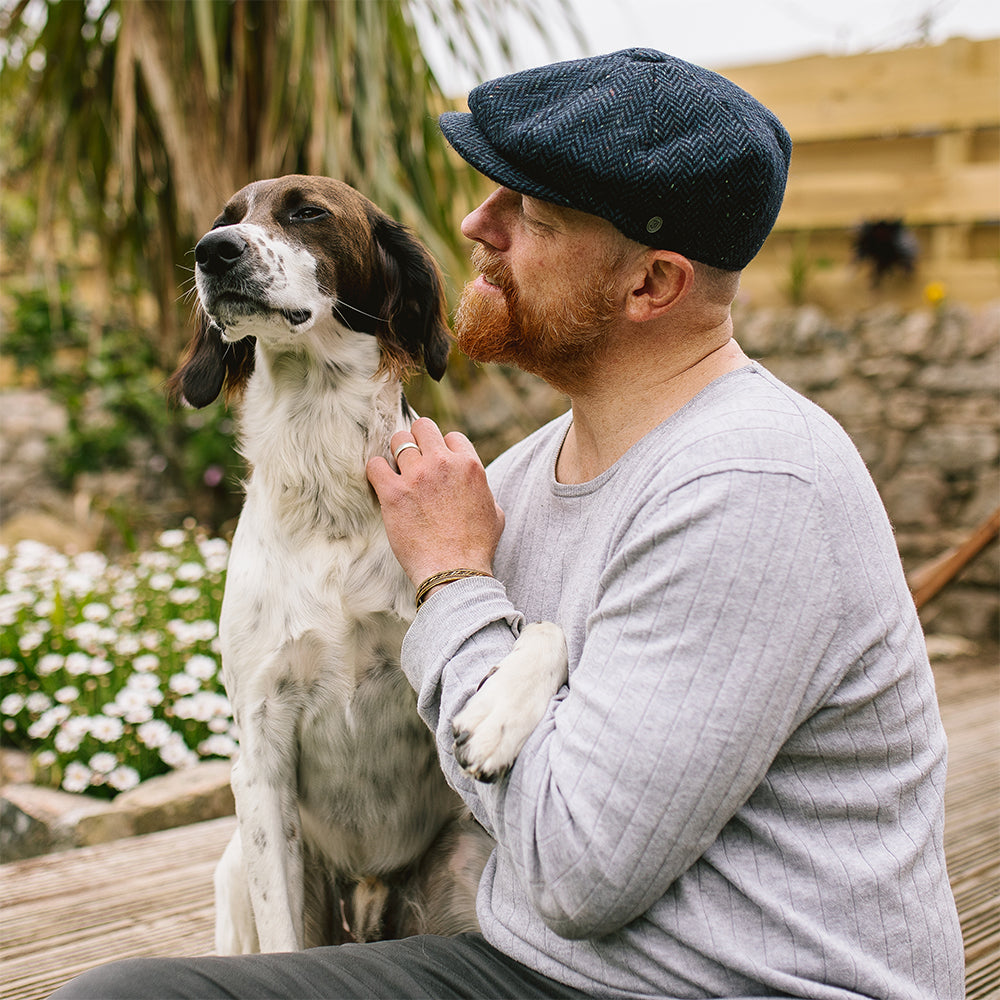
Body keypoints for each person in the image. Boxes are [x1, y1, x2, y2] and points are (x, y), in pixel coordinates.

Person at [51, 48, 963, 1000]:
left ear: (652, 285)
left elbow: (580, 878)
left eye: (529, 213)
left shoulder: (755, 484)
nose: (473, 227)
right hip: (539, 959)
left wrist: (453, 579)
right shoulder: (520, 475)